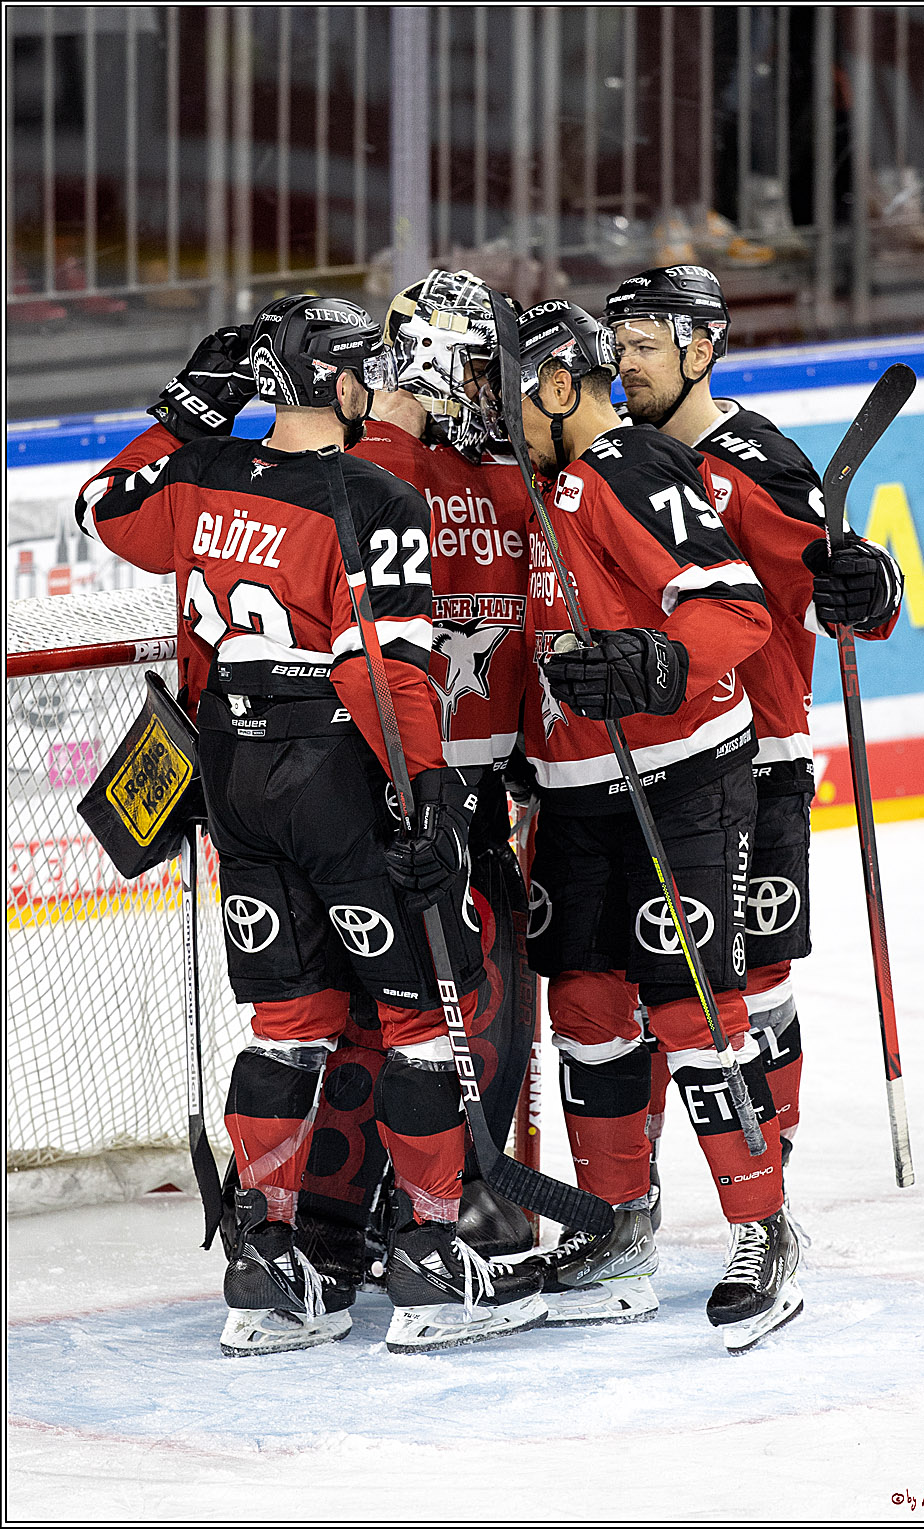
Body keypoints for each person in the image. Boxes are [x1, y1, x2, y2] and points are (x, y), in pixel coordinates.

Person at [75, 297, 544, 1357]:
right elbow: (375, 663)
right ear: (339, 382)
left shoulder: (201, 476)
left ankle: (268, 1265)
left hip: (227, 773)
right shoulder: (371, 494)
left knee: (289, 1024)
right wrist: (423, 793)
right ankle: (429, 1258)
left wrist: (184, 411)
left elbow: (103, 506)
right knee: (424, 1011)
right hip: (332, 769)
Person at [488, 298, 802, 1351]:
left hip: (677, 781)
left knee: (692, 1013)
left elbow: (738, 609)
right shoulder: (540, 485)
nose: (500, 419)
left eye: (510, 396)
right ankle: (620, 1226)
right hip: (577, 795)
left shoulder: (627, 466)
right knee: (583, 1009)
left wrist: (656, 662)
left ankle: (766, 1228)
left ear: (562, 386)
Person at [606, 263, 903, 1218]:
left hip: (758, 756)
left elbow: (840, 585)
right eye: (618, 346)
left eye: (644, 346)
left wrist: (870, 583)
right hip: (634, 765)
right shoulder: (609, 459)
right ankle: (627, 1194)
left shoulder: (755, 462)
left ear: (701, 349)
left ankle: (764, 1186)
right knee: (628, 983)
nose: (625, 365)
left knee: (756, 979)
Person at [292, 268, 538, 1279]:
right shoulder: (363, 472)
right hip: (402, 796)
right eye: (480, 368)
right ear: (435, 362)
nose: (496, 391)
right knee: (428, 1015)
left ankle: (347, 1222)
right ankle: (415, 1215)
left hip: (474, 794)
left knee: (410, 1013)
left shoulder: (499, 475)